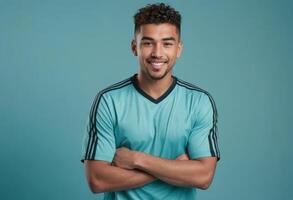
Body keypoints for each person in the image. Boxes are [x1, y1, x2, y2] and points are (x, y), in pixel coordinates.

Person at [81, 3, 220, 200]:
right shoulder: (108, 101)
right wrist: (175, 167)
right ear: (134, 47)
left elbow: (204, 176)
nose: (157, 52)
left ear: (178, 49)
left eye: (167, 43)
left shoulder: (199, 102)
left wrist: (137, 159)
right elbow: (97, 180)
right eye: (148, 43)